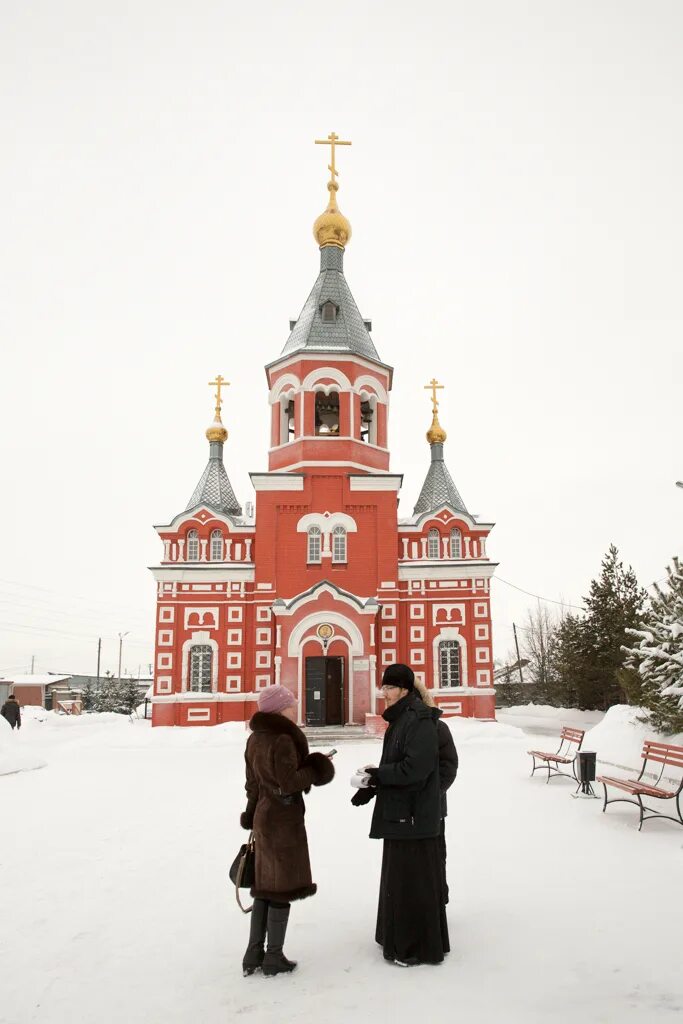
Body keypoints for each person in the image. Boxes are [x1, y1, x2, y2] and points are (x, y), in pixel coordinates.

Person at [352, 663, 449, 967]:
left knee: (412, 883)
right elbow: (402, 764)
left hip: (412, 816)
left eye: (390, 688)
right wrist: (372, 781)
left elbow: (416, 770)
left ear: (405, 689)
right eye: (383, 688)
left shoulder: (418, 719)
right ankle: (398, 939)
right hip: (402, 814)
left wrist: (380, 775)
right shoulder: (401, 720)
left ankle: (413, 948)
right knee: (401, 881)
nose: (385, 693)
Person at [240, 683, 335, 977]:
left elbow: (253, 784)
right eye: (292, 703)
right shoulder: (282, 738)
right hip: (282, 820)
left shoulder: (255, 739)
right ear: (281, 708)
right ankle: (273, 957)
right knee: (281, 888)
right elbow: (288, 782)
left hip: (263, 816)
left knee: (265, 887)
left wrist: (251, 812)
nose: (296, 707)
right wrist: (317, 767)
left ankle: (253, 954)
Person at [413, 679, 458, 904]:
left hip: (433, 808)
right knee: (413, 858)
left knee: (434, 854)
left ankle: (437, 898)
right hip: (407, 811)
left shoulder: (438, 727)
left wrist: (431, 795)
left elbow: (448, 768)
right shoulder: (400, 729)